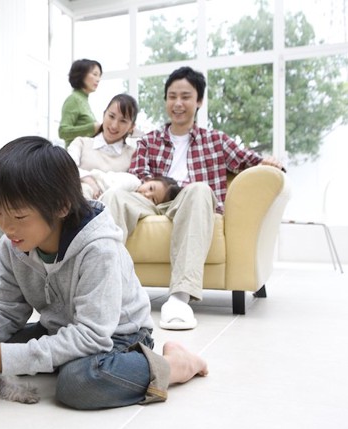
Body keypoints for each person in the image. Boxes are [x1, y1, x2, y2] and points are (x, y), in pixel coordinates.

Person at [0, 136, 208, 410]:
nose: (7, 227)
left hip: (119, 337)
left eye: (19, 217)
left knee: (78, 383)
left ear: (61, 206)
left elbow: (93, 335)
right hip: (61, 328)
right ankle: (62, 358)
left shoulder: (98, 249)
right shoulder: (12, 246)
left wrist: (3, 358)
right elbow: (7, 310)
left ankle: (171, 365)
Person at [101, 66, 284, 331]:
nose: (178, 103)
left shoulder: (215, 141)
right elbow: (138, 174)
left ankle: (179, 298)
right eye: (172, 96)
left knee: (199, 189)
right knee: (114, 197)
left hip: (190, 200)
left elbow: (248, 160)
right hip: (150, 200)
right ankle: (108, 293)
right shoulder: (149, 141)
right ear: (165, 100)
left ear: (198, 101)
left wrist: (270, 162)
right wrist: (156, 187)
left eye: (185, 97)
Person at [66, 93, 139, 199]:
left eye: (123, 121)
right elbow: (65, 168)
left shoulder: (133, 155)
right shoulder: (81, 143)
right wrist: (88, 180)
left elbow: (134, 187)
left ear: (132, 127)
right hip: (76, 204)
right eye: (111, 116)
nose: (114, 125)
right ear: (104, 114)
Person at [58, 59, 102, 148]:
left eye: (99, 76)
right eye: (95, 74)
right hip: (73, 158)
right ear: (82, 74)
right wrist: (92, 128)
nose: (98, 79)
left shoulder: (84, 101)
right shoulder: (74, 99)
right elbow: (63, 131)